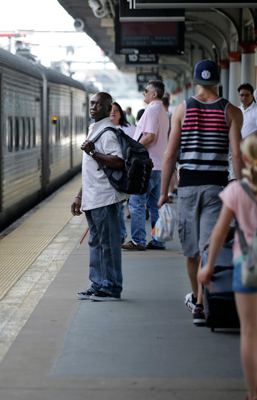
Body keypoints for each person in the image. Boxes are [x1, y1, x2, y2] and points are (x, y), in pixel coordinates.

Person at [198, 131, 257, 400]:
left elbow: (219, 233)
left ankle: (252, 394)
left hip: (246, 267)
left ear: (245, 158)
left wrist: (208, 267)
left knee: (248, 332)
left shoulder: (236, 190)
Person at [158, 59, 243, 325]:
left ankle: (197, 301)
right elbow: (237, 156)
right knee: (209, 247)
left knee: (192, 248)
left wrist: (163, 193)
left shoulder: (182, 109)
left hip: (188, 187)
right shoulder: (231, 111)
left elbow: (170, 155)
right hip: (217, 187)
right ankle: (204, 305)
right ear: (217, 80)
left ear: (195, 81)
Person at [72, 92, 128, 301]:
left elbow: (119, 161)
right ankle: (98, 284)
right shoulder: (94, 129)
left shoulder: (108, 132)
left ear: (108, 108)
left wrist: (94, 152)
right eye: (92, 103)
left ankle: (112, 288)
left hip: (105, 198)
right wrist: (79, 197)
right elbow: (91, 170)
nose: (93, 107)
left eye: (98, 104)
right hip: (92, 199)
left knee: (109, 244)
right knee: (96, 243)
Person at [122, 80, 170, 251]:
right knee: (153, 205)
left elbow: (149, 136)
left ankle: (138, 241)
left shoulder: (151, 111)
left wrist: (135, 150)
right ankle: (158, 241)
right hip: (158, 166)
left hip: (146, 166)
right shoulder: (162, 111)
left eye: (146, 90)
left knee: (135, 203)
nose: (144, 93)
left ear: (154, 94)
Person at [110, 102, 135, 243]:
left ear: (121, 113)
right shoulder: (103, 129)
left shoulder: (130, 129)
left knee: (120, 204)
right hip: (110, 173)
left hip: (126, 171)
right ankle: (119, 233)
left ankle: (121, 234)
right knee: (116, 205)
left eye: (116, 110)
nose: (113, 113)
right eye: (111, 110)